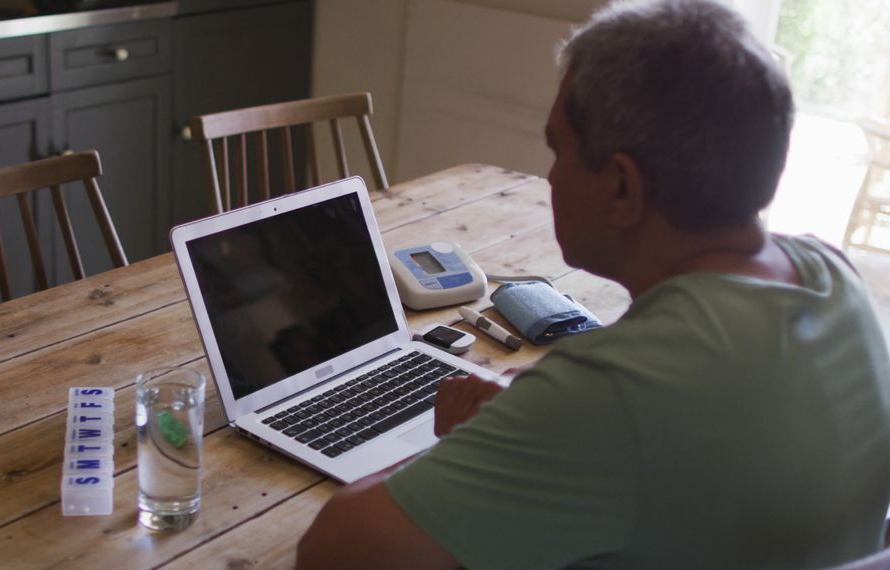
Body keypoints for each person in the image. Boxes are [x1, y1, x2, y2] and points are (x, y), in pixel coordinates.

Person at [296, 0, 890, 568]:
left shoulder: (613, 392)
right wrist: (539, 428)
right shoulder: (833, 278)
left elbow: (335, 553)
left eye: (557, 149)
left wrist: (478, 442)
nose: (550, 175)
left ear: (622, 188)